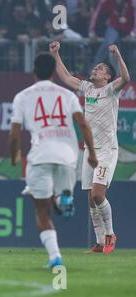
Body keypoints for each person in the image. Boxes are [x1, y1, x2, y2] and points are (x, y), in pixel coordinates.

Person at [9, 52, 98, 268]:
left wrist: (14, 156)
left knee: (41, 210)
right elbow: (83, 124)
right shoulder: (67, 95)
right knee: (58, 202)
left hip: (40, 155)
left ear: (34, 72)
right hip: (68, 155)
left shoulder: (22, 97)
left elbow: (14, 133)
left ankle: (55, 256)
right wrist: (93, 154)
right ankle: (63, 199)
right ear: (53, 73)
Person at [50, 41, 130, 254]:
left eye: (101, 68)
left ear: (107, 77)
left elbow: (126, 78)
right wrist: (56, 54)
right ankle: (99, 242)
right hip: (89, 151)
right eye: (96, 67)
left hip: (107, 151)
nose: (95, 69)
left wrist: (118, 56)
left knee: (97, 195)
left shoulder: (112, 90)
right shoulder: (87, 88)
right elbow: (66, 77)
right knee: (90, 199)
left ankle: (110, 234)